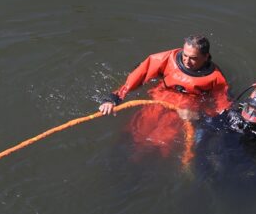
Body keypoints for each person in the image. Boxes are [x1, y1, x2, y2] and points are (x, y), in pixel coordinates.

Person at [98, 35, 232, 159]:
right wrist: (113, 99)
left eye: (193, 58)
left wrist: (199, 115)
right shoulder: (167, 58)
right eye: (185, 55)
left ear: (206, 57)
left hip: (184, 110)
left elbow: (222, 107)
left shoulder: (216, 78)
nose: (187, 61)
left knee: (159, 143)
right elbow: (137, 76)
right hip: (159, 98)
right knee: (135, 134)